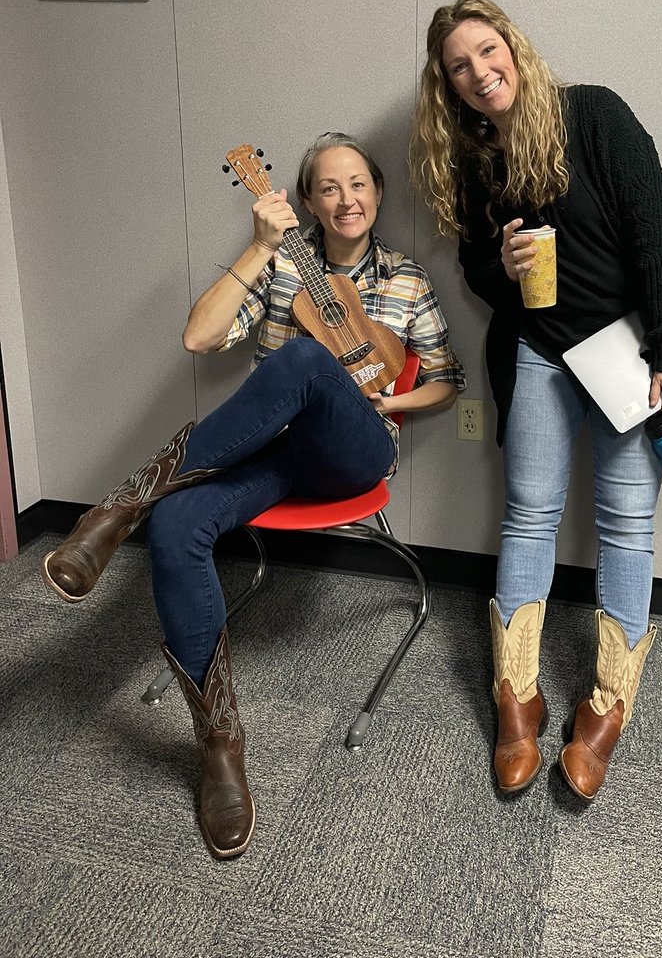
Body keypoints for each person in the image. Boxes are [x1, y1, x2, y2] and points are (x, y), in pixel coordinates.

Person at [43, 132, 466, 858]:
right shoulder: (277, 267)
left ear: (378, 192)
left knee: (302, 356)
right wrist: (258, 248)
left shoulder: (406, 279)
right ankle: (218, 743)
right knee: (178, 522)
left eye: (358, 184)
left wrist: (390, 403)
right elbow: (198, 338)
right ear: (306, 201)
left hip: (355, 450)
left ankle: (119, 506)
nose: (346, 199)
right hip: (273, 452)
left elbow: (447, 380)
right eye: (328, 187)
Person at [410, 0, 662, 802]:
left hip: (629, 351)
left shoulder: (593, 115)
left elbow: (661, 232)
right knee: (529, 513)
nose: (478, 72)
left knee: (627, 522)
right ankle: (518, 696)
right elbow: (477, 273)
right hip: (541, 350)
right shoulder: (475, 161)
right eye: (458, 66)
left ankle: (608, 706)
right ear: (448, 85)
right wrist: (499, 268)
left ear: (512, 46)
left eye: (486, 50)